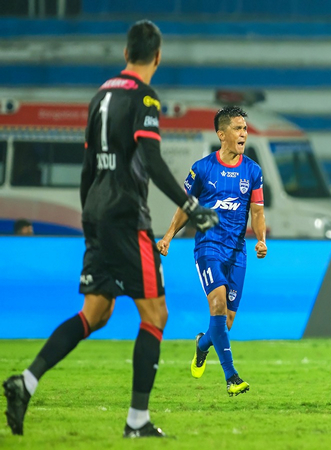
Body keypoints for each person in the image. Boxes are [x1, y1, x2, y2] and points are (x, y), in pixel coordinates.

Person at [2, 20, 218, 438]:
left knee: (95, 313)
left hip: (97, 213)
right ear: (158, 56)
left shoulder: (101, 94)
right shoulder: (144, 97)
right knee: (156, 314)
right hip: (124, 215)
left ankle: (25, 382)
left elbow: (87, 165)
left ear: (125, 54)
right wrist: (189, 205)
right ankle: (137, 420)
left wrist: (88, 218)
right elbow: (152, 160)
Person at [157, 105, 267, 397]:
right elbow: (185, 207)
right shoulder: (202, 168)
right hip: (208, 247)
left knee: (226, 323)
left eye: (245, 128)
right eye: (238, 128)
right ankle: (232, 378)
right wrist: (168, 236)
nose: (244, 133)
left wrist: (261, 239)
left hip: (237, 252)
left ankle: (202, 344)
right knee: (217, 306)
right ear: (222, 134)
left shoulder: (253, 171)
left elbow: (257, 211)